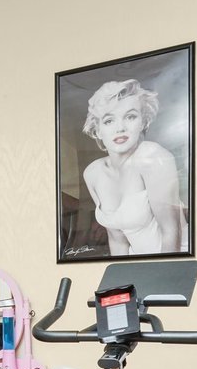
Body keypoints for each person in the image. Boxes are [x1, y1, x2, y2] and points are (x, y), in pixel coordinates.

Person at [80, 79, 187, 256]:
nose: (120, 128)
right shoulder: (93, 173)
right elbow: (117, 241)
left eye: (130, 117)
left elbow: (171, 233)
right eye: (109, 121)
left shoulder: (153, 156)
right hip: (137, 262)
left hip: (175, 258)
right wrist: (121, 274)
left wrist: (162, 272)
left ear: (143, 122)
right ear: (98, 130)